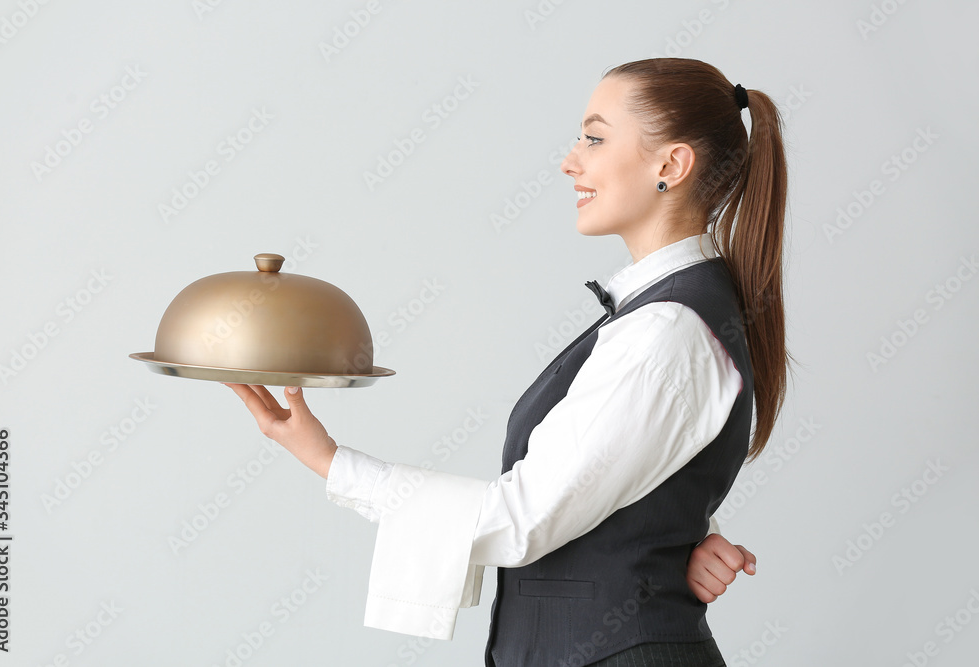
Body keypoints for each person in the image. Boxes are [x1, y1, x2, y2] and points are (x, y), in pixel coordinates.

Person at [226, 56, 790, 667]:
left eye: (595, 138)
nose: (570, 160)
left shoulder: (665, 329)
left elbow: (518, 518)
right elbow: (641, 469)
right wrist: (687, 538)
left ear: (671, 165)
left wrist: (328, 460)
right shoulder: (666, 313)